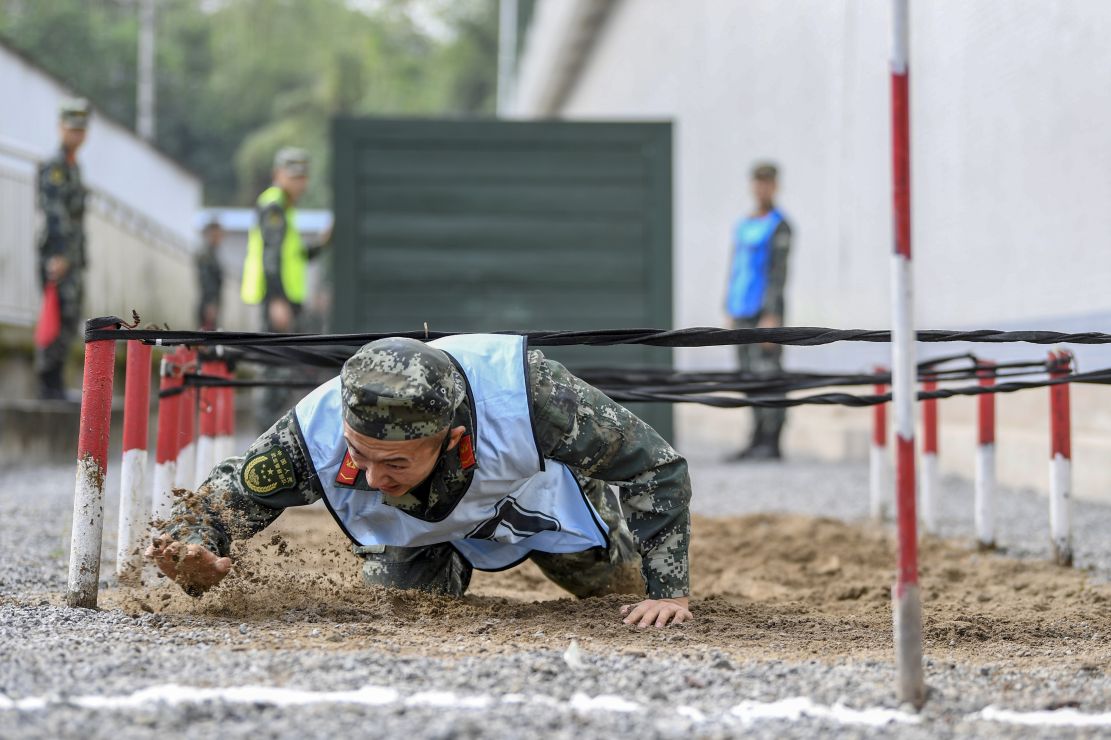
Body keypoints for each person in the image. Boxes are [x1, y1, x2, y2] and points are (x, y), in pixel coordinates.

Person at [147, 335, 694, 628]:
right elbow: (222, 498)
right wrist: (194, 546)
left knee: (624, 596)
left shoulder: (533, 395)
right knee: (399, 614)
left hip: (535, 499)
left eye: (396, 463)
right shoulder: (312, 434)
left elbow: (657, 467)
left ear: (452, 439)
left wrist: (671, 592)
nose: (374, 477)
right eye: (360, 455)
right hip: (416, 533)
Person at [240, 147, 329, 425]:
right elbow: (271, 257)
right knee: (275, 370)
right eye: (294, 176)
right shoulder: (274, 205)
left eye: (303, 177)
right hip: (276, 300)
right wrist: (277, 300)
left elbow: (295, 255)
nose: (300, 183)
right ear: (277, 175)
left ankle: (273, 433)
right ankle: (265, 437)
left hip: (285, 299)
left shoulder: (285, 208)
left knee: (284, 368)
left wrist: (323, 242)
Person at [724, 162, 792, 461]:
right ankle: (755, 436)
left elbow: (778, 274)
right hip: (742, 310)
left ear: (775, 186)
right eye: (758, 182)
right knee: (748, 376)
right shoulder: (745, 224)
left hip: (764, 312)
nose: (762, 187)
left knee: (769, 375)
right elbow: (736, 267)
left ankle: (771, 438)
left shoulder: (780, 225)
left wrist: (772, 315)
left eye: (768, 182)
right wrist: (728, 306)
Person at [35, 99, 91, 400]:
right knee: (56, 317)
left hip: (73, 256)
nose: (77, 135)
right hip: (58, 255)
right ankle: (48, 383)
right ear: (61, 129)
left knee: (70, 318)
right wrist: (58, 255)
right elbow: (54, 212)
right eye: (72, 129)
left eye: (81, 130)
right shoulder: (55, 166)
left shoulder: (74, 167)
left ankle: (55, 382)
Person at [195, 217, 224, 330]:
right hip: (208, 304)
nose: (219, 238)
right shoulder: (206, 255)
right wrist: (210, 303)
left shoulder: (213, 253)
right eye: (216, 235)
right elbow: (206, 281)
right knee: (206, 341)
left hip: (212, 303)